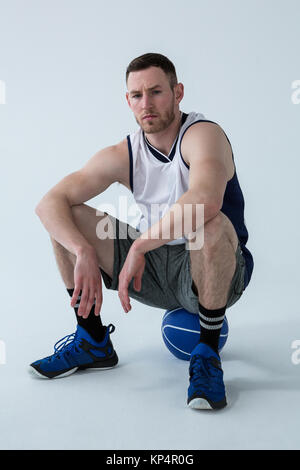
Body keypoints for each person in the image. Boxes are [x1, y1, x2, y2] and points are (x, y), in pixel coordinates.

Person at [30, 53, 254, 410]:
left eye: (156, 92)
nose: (146, 104)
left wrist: (139, 247)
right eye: (137, 95)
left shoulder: (202, 135)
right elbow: (49, 202)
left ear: (178, 92)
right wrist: (83, 249)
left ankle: (207, 355)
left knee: (209, 224)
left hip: (217, 267)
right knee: (67, 216)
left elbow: (205, 201)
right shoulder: (126, 152)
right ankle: (92, 339)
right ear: (128, 101)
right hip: (154, 265)